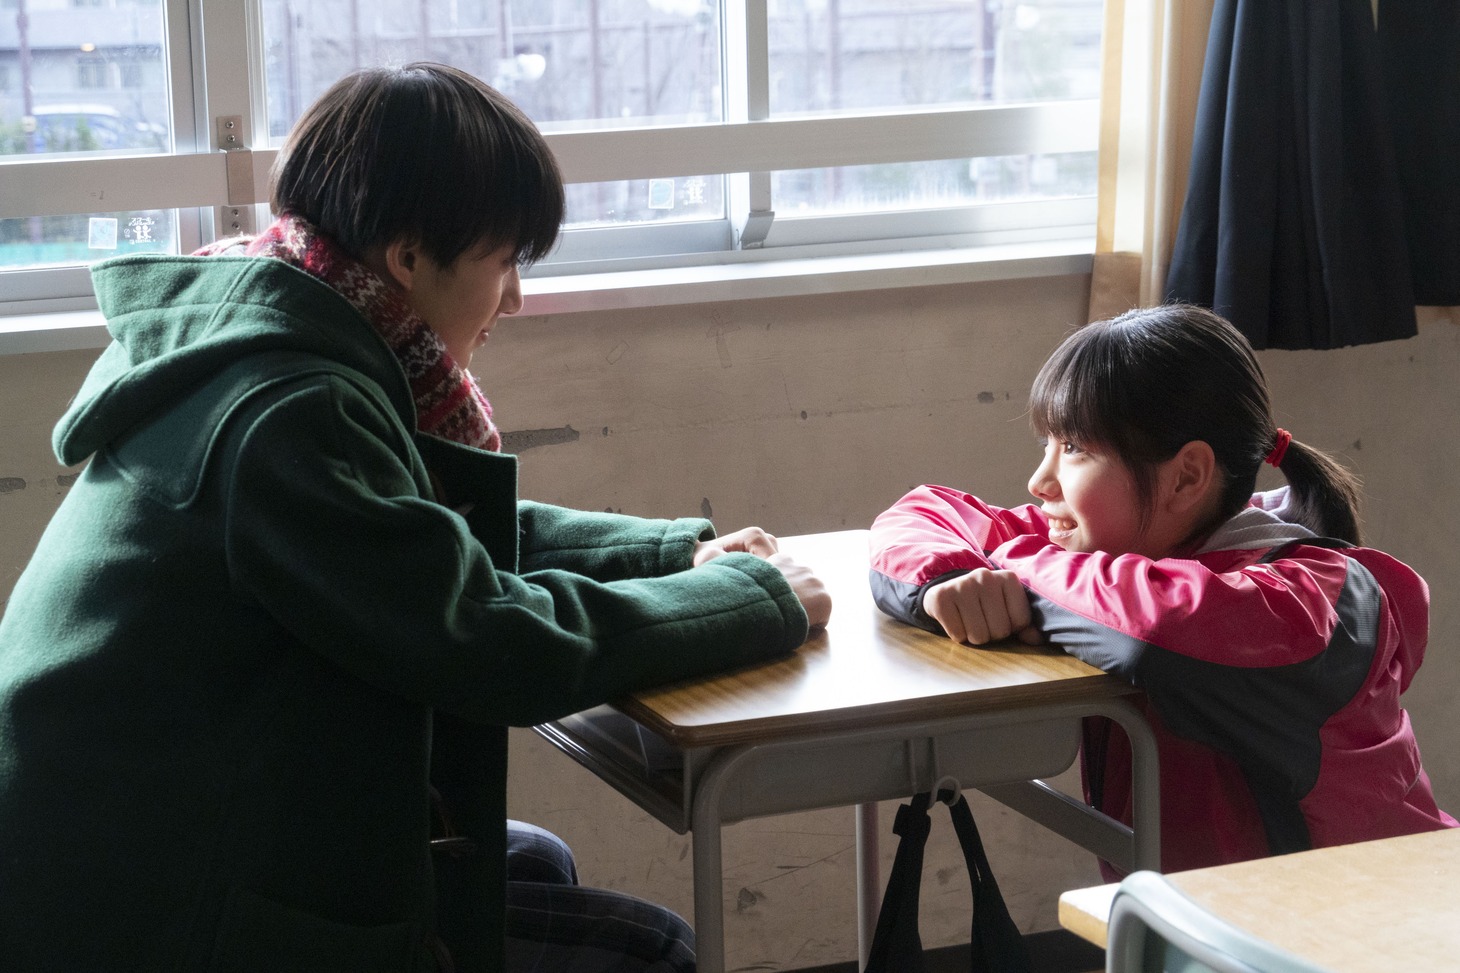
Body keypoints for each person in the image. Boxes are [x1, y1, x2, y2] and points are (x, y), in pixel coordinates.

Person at [0, 63, 830, 973]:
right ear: (406, 256)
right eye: (504, 260)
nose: (514, 299)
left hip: (149, 829)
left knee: (528, 859)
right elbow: (480, 637)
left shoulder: (277, 337)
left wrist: (674, 553)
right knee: (657, 953)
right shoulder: (289, 409)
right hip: (146, 904)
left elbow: (426, 535)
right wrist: (749, 600)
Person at [868, 304, 1455, 876]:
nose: (1039, 480)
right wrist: (945, 578)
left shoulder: (1307, 598)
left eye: (1073, 449)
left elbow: (1153, 630)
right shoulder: (1115, 547)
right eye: (1047, 444)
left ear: (1186, 476)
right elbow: (924, 511)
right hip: (1230, 928)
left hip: (1374, 928)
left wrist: (1011, 567)